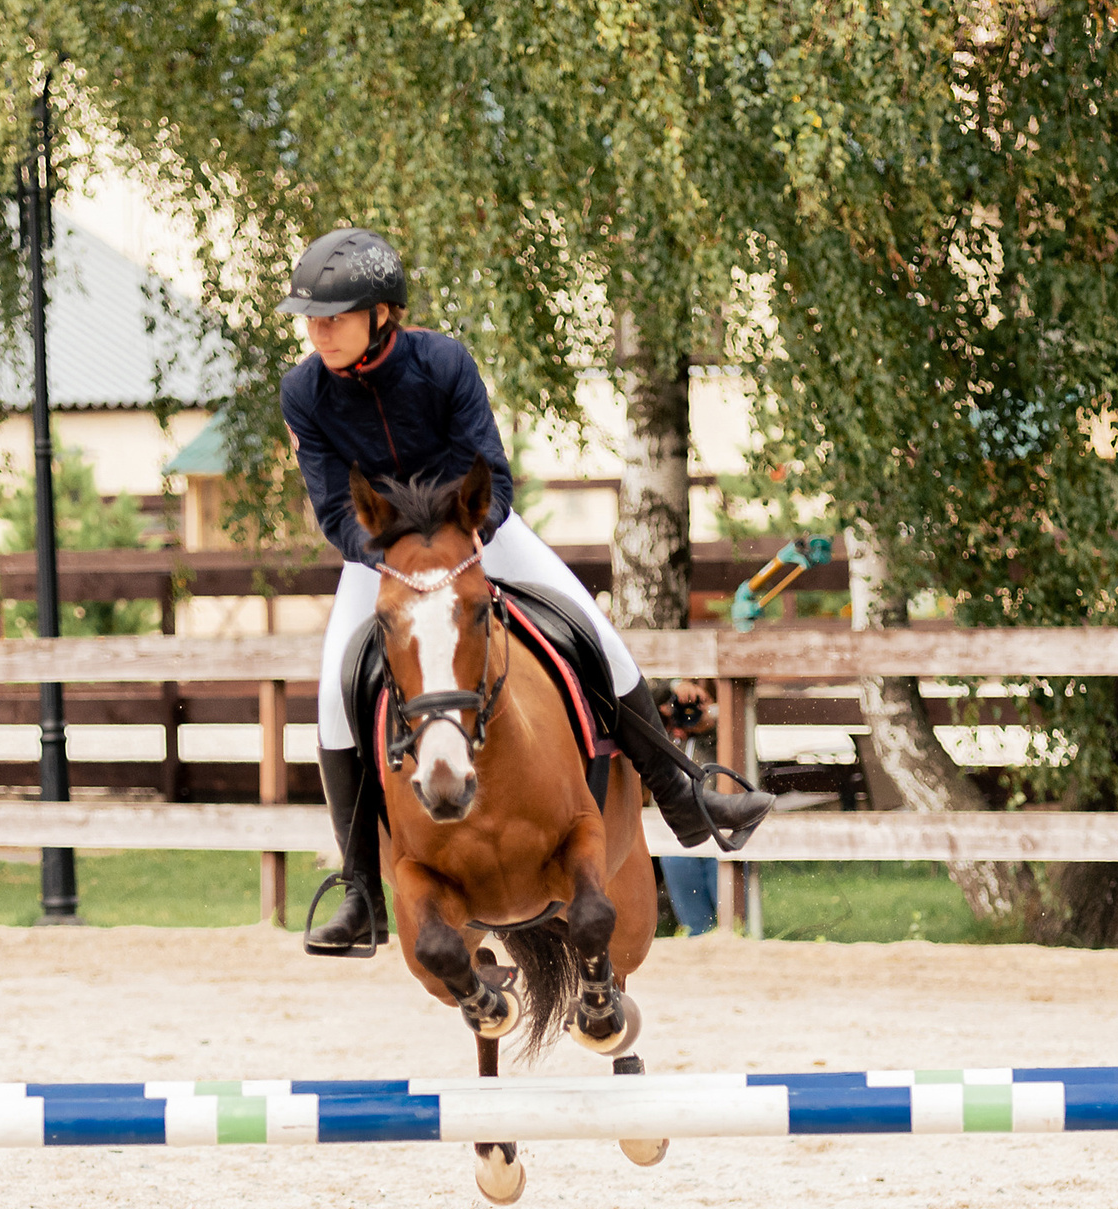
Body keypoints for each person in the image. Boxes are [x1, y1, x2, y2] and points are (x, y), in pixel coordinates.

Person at [277, 227, 772, 956]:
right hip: (381, 555)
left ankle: (685, 792)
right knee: (332, 690)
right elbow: (329, 506)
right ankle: (360, 893)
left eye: (334, 315)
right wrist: (392, 557)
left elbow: (493, 477)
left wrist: (459, 543)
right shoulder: (304, 391)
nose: (318, 330)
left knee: (592, 630)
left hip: (479, 534)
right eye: (311, 318)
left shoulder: (442, 363)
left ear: (382, 313)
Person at [654, 679, 723, 936]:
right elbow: (640, 690)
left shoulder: (728, 726)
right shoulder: (664, 729)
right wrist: (674, 687)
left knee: (733, 919)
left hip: (720, 824)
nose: (691, 714)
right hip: (675, 829)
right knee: (696, 927)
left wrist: (713, 726)